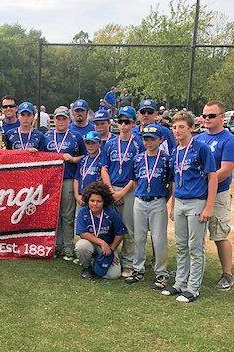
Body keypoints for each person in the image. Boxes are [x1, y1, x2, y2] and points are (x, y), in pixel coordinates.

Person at [162, 111, 217, 303]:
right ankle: (180, 283)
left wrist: (209, 206)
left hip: (197, 201)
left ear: (191, 128)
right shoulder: (175, 152)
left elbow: (212, 177)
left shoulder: (201, 149)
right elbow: (176, 181)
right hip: (180, 202)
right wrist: (173, 206)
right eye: (174, 127)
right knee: (181, 245)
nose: (177, 131)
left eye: (181, 127)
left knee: (195, 246)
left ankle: (193, 288)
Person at [195, 100, 234, 290]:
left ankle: (227, 274)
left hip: (219, 193)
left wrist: (199, 182)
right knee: (194, 235)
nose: (206, 119)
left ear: (222, 117)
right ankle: (191, 270)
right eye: (204, 115)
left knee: (219, 234)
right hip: (198, 194)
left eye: (211, 116)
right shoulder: (198, 139)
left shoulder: (230, 140)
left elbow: (225, 171)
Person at [125, 125, 173, 289]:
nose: (149, 142)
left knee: (158, 239)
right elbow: (135, 180)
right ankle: (138, 269)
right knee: (139, 237)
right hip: (140, 200)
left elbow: (170, 183)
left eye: (152, 139)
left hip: (158, 200)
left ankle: (161, 273)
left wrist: (163, 199)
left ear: (160, 140)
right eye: (146, 139)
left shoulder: (166, 158)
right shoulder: (138, 159)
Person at [101, 108, 145, 277]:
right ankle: (110, 256)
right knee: (109, 225)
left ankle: (128, 263)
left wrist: (122, 192)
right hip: (110, 189)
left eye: (127, 122)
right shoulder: (110, 143)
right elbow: (104, 168)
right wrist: (111, 191)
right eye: (120, 122)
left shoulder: (138, 144)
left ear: (134, 123)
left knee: (129, 228)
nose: (123, 125)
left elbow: (140, 171)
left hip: (129, 190)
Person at [43, 106, 85, 260]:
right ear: (54, 119)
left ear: (69, 120)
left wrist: (73, 159)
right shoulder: (47, 136)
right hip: (51, 181)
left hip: (68, 178)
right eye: (58, 118)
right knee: (53, 214)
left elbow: (86, 157)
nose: (60, 121)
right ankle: (55, 245)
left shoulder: (76, 136)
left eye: (64, 118)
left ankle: (68, 246)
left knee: (67, 215)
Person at [74, 181, 126, 279]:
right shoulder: (83, 212)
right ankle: (86, 267)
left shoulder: (111, 212)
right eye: (92, 200)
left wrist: (111, 250)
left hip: (107, 246)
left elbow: (120, 233)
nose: (95, 204)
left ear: (104, 201)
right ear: (87, 200)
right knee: (81, 246)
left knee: (114, 275)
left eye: (99, 201)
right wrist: (101, 242)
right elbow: (82, 233)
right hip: (91, 243)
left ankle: (96, 261)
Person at [73, 130, 102, 207]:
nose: (90, 146)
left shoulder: (102, 159)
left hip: (95, 198)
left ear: (100, 143)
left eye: (93, 143)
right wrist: (77, 196)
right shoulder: (83, 160)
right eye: (88, 143)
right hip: (81, 196)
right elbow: (76, 178)